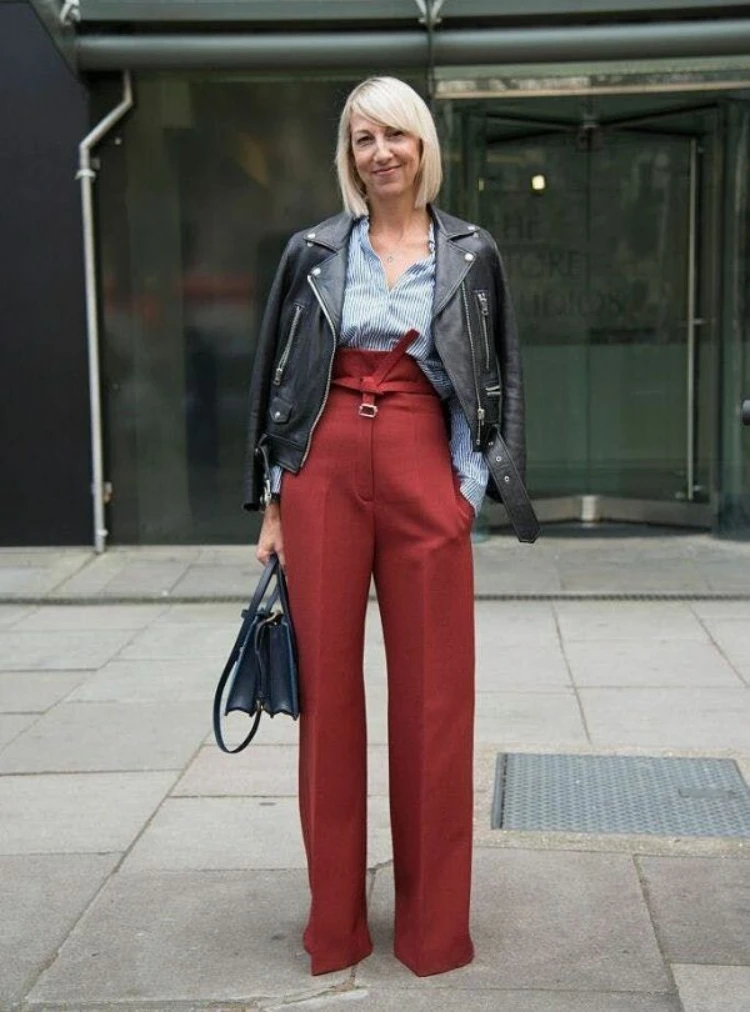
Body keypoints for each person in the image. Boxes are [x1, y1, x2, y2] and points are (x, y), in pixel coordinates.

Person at [242, 76, 530, 978]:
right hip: (323, 467)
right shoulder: (313, 250)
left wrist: (467, 489)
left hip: (423, 471)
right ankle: (336, 926)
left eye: (395, 136)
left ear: (422, 146)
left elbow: (501, 376)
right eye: (363, 138)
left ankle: (433, 930)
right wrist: (275, 500)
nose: (381, 154)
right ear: (350, 154)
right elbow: (277, 375)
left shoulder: (474, 251)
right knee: (327, 704)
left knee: (437, 706)